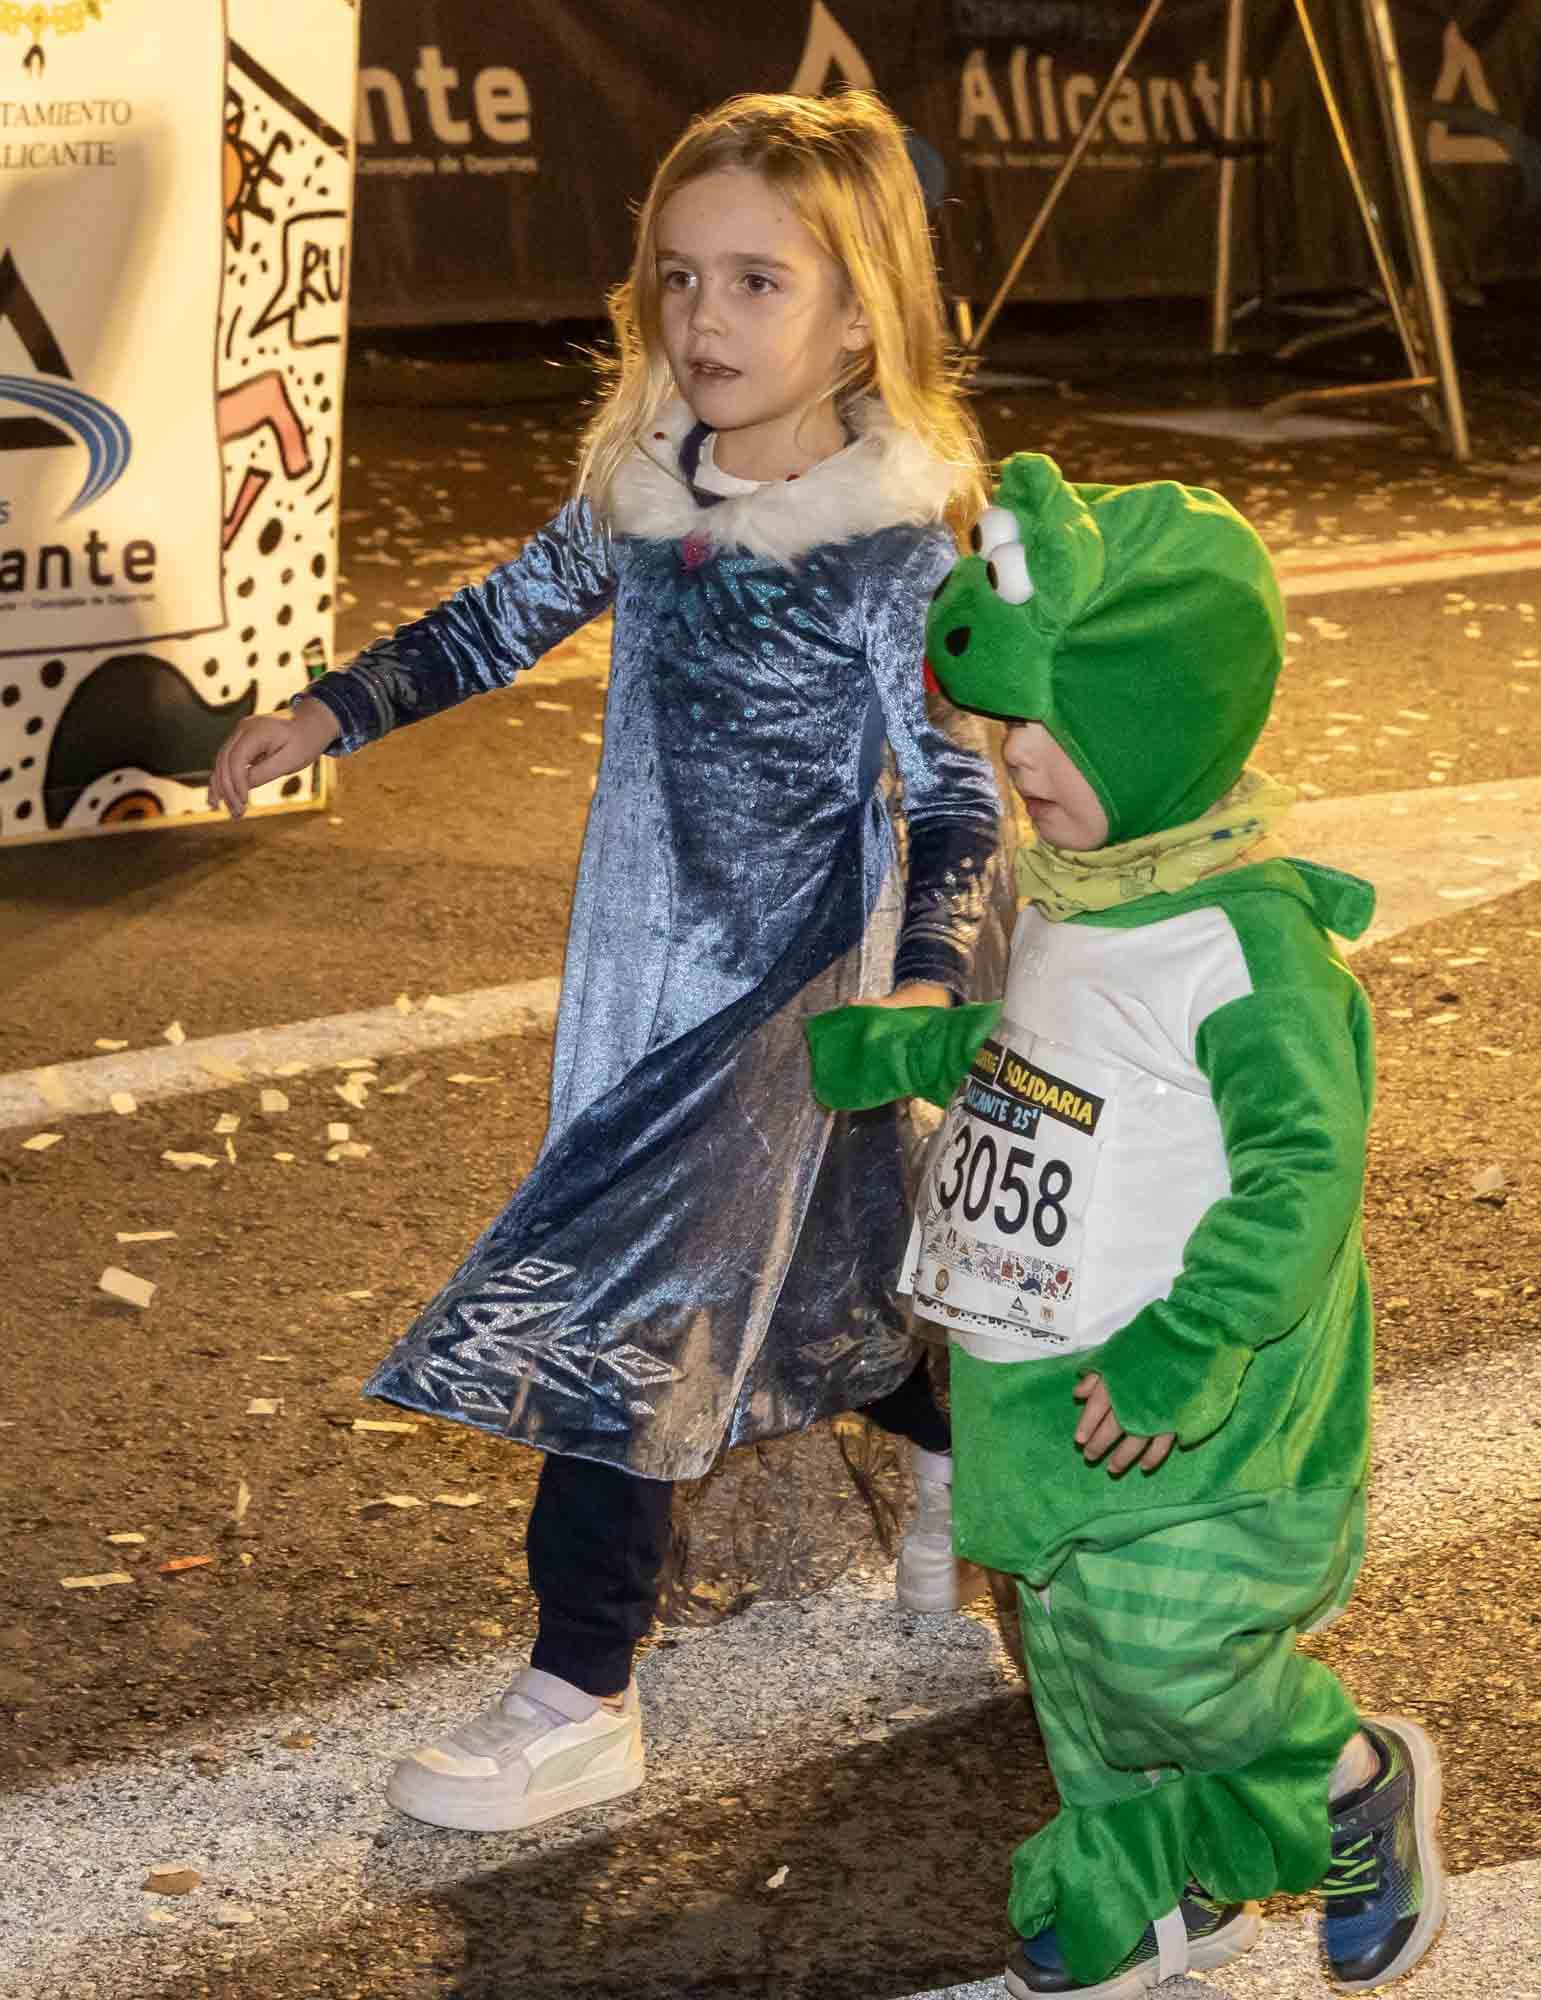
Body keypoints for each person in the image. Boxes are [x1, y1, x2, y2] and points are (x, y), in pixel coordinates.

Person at [206, 89, 1009, 1833]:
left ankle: (579, 1685)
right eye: (675, 278)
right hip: (636, 977)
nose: (703, 323)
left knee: (624, 1311)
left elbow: (952, 785)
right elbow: (500, 617)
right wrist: (332, 707)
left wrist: (933, 973)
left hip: (792, 987)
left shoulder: (890, 537)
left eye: (755, 283)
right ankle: (961, 1468)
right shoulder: (646, 488)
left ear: (863, 313)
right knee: (831, 1265)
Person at [807, 457, 1447, 1995]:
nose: (1013, 755)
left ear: (1158, 714)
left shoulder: (1249, 941)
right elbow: (1057, 1067)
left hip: (1196, 1417)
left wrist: (1190, 1343)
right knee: (1084, 1676)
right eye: (1002, 721)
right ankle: (1144, 1877)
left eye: (1052, 723)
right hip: (1038, 1378)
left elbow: (1304, 1170)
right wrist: (913, 1048)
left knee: (1175, 1658)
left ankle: (1349, 1775)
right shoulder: (1088, 886)